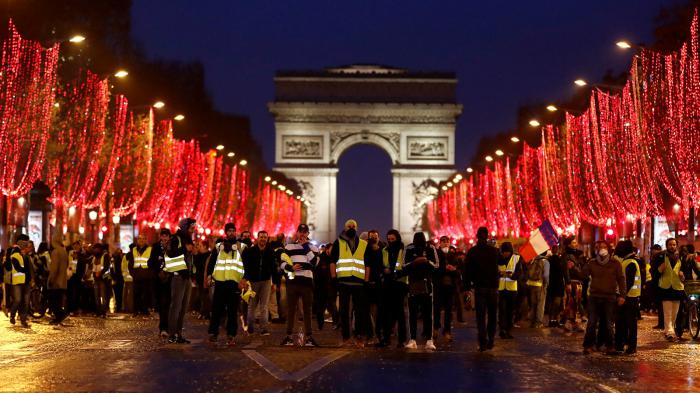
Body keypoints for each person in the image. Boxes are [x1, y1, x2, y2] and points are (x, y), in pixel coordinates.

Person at [330, 219, 370, 348]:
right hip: (343, 281)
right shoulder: (338, 242)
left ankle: (359, 337)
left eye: (353, 226)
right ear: (345, 228)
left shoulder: (364, 244)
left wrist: (367, 280)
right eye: (349, 226)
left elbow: (367, 264)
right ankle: (346, 337)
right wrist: (333, 278)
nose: (351, 228)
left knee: (359, 312)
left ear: (357, 228)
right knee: (344, 311)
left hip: (359, 282)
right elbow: (332, 261)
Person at [581, 240, 626, 355]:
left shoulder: (615, 263)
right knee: (591, 322)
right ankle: (588, 345)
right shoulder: (592, 263)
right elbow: (583, 275)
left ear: (608, 249)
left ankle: (610, 346)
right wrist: (583, 265)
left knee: (608, 323)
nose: (602, 249)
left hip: (609, 297)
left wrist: (622, 295)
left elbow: (621, 279)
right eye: (599, 247)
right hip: (594, 297)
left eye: (604, 247)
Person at [280, 224, 319, 347]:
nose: (302, 234)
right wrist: (290, 267)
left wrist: (305, 247)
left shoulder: (313, 247)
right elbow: (281, 263)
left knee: (307, 311)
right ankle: (288, 336)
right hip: (293, 282)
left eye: (305, 232)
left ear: (308, 234)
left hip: (307, 282)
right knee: (291, 310)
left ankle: (309, 337)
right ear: (297, 233)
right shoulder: (289, 246)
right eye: (300, 231)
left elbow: (315, 262)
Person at [465, 227, 500, 352]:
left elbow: (467, 271)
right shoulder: (494, 251)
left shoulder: (472, 252)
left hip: (480, 287)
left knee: (480, 316)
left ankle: (482, 341)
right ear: (487, 236)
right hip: (493, 287)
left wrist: (467, 287)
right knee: (492, 315)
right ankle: (491, 340)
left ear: (476, 236)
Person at [207, 235, 246, 345]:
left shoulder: (240, 248)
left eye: (233, 231)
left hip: (233, 283)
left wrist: (243, 279)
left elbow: (245, 264)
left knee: (232, 311)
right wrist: (209, 275)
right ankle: (214, 333)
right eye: (229, 231)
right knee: (217, 310)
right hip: (220, 283)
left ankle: (231, 335)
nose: (231, 233)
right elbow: (212, 261)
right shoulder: (219, 247)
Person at [403, 232, 438, 351]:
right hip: (413, 283)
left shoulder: (431, 248)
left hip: (426, 284)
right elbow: (403, 266)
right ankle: (413, 339)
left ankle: (429, 339)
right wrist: (415, 262)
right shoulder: (408, 248)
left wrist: (426, 261)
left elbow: (437, 266)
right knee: (412, 313)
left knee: (427, 313)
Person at [165, 218, 196, 344]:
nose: (193, 230)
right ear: (185, 227)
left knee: (183, 308)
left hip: (187, 277)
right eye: (191, 227)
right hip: (178, 277)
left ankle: (179, 334)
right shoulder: (175, 239)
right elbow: (169, 254)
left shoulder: (188, 239)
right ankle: (171, 334)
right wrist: (185, 249)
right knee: (176, 307)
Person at [652, 238, 685, 342]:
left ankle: (668, 330)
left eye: (674, 244)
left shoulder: (681, 256)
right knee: (667, 312)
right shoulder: (661, 256)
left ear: (677, 246)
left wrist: (683, 275)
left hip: (677, 287)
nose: (672, 246)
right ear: (667, 245)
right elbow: (653, 271)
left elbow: (685, 271)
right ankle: (670, 332)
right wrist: (659, 270)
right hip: (665, 287)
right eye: (670, 244)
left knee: (675, 313)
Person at [243, 230, 275, 335]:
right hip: (253, 281)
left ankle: (263, 328)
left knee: (264, 306)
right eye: (261, 237)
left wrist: (275, 282)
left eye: (265, 237)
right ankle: (250, 327)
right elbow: (246, 266)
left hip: (266, 281)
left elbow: (273, 267)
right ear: (257, 238)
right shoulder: (250, 251)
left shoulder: (270, 252)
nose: (263, 239)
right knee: (252, 305)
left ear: (267, 238)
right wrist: (245, 279)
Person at [380, 229, 408, 348]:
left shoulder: (404, 251)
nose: (391, 241)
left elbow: (406, 267)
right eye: (389, 239)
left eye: (393, 239)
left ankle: (401, 340)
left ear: (398, 238)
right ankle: (386, 339)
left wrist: (396, 273)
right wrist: (384, 271)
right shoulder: (384, 250)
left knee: (400, 313)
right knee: (386, 313)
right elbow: (381, 265)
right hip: (387, 284)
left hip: (400, 284)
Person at [614, 240, 641, 354]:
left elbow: (628, 282)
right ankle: (623, 345)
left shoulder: (631, 262)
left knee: (629, 323)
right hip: (628, 297)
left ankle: (631, 346)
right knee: (624, 322)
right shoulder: (628, 261)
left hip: (629, 298)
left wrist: (622, 296)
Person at [434, 236, 460, 342]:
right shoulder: (436, 254)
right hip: (438, 286)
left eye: (447, 242)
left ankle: (447, 331)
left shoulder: (453, 255)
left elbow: (458, 271)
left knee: (449, 310)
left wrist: (453, 270)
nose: (445, 244)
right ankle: (435, 328)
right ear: (440, 243)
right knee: (436, 309)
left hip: (450, 287)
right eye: (443, 242)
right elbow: (434, 269)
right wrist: (444, 269)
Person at [150, 228, 172, 339]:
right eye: (162, 236)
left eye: (166, 236)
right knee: (161, 305)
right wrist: (158, 272)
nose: (164, 238)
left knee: (166, 304)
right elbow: (151, 262)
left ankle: (165, 328)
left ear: (169, 237)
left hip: (169, 280)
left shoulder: (172, 247)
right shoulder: (155, 247)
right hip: (159, 281)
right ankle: (163, 328)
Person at [498, 242, 522, 339]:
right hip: (501, 289)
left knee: (510, 311)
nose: (506, 254)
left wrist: (513, 276)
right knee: (502, 310)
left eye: (507, 252)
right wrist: (499, 274)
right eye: (504, 252)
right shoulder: (498, 259)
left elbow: (520, 273)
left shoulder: (516, 258)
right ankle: (502, 330)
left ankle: (508, 330)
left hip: (512, 289)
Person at [8, 238, 33, 327]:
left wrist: (30, 280)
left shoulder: (26, 257)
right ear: (23, 247)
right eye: (26, 247)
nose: (28, 248)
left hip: (26, 283)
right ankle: (12, 315)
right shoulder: (15, 255)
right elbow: (18, 267)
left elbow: (29, 270)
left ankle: (23, 320)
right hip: (17, 283)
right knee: (18, 300)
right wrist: (25, 271)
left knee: (26, 302)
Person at [364, 229, 384, 344]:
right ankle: (370, 335)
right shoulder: (364, 250)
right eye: (371, 237)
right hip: (367, 283)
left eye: (375, 237)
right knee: (367, 311)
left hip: (378, 284)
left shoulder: (383, 249)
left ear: (378, 237)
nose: (373, 239)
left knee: (378, 311)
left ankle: (378, 334)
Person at [563, 236, 586, 334]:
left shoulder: (577, 255)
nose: (576, 243)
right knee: (572, 302)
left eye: (576, 242)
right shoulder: (567, 255)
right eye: (573, 242)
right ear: (568, 244)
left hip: (578, 282)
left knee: (576, 302)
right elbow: (566, 270)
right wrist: (568, 282)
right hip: (572, 282)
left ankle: (572, 322)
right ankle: (570, 322)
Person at [314, 243, 339, 330]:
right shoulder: (320, 258)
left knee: (333, 306)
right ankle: (320, 325)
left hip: (332, 287)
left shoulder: (335, 258)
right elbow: (316, 273)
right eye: (331, 249)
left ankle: (336, 324)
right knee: (320, 309)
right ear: (327, 249)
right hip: (321, 288)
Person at [128, 234, 154, 316]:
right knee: (136, 294)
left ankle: (145, 310)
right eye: (140, 239)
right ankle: (136, 311)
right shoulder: (134, 250)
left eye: (143, 239)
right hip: (136, 276)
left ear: (146, 240)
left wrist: (150, 274)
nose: (141, 240)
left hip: (146, 276)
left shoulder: (150, 249)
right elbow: (130, 263)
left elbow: (153, 263)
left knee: (146, 294)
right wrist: (132, 273)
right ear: (137, 240)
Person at [48, 233, 69, 325]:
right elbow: (67, 264)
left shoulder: (56, 252)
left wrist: (51, 279)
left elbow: (54, 268)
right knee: (58, 300)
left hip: (56, 281)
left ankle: (60, 315)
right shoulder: (64, 251)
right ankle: (59, 316)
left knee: (53, 300)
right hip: (62, 280)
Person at [526, 250, 550, 328]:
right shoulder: (545, 262)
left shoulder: (534, 260)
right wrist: (546, 283)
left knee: (533, 304)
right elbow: (546, 275)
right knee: (540, 304)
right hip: (540, 285)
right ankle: (538, 323)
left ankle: (532, 321)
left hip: (531, 284)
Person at [546, 245, 566, 327]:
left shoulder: (549, 260)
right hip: (557, 284)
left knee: (553, 303)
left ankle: (552, 320)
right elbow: (563, 271)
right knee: (556, 303)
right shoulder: (559, 260)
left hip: (553, 284)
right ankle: (553, 320)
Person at [91, 243, 112, 318]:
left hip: (103, 280)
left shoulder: (105, 256)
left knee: (103, 296)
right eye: (94, 249)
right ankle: (98, 311)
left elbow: (107, 267)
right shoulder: (94, 257)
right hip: (96, 279)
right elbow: (92, 267)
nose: (95, 250)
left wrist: (100, 273)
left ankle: (103, 311)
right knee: (97, 296)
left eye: (97, 248)